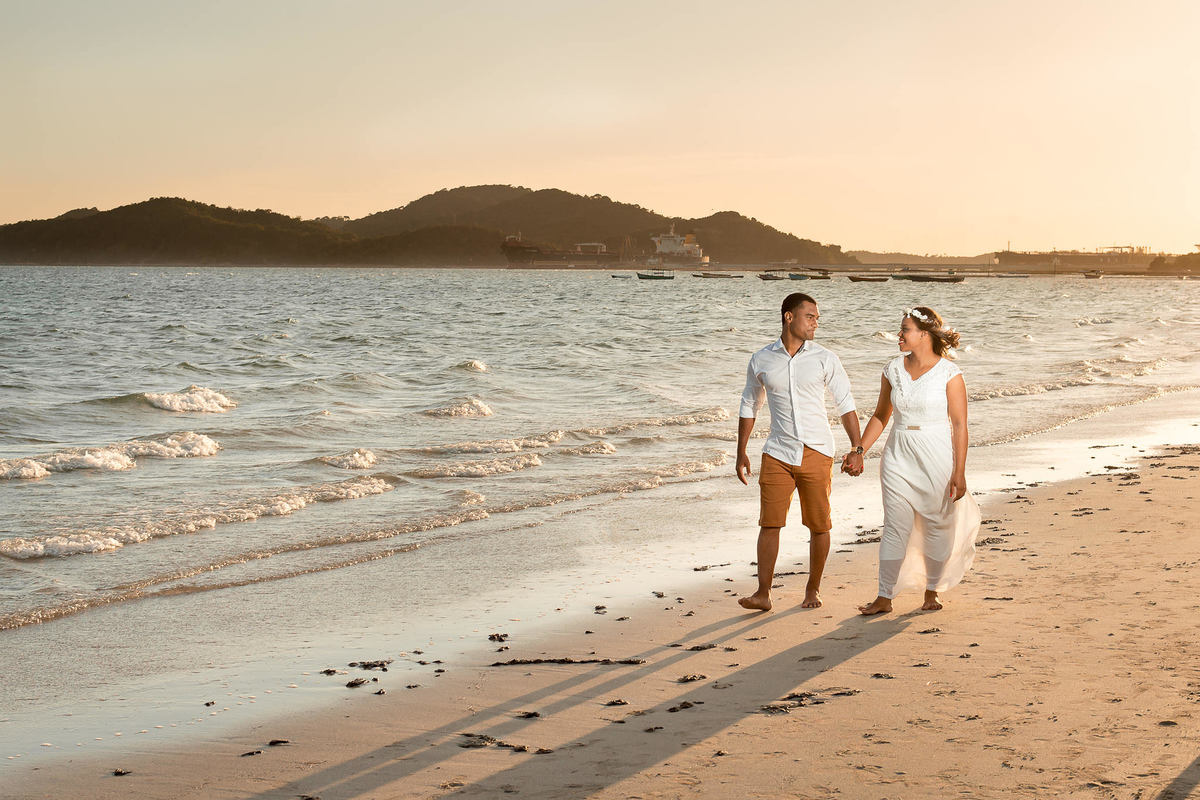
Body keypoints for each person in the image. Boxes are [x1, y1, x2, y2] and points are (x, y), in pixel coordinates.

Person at [736, 293, 863, 611]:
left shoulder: (825, 358)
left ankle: (813, 589)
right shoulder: (761, 359)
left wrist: (857, 448)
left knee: (820, 525)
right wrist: (741, 452)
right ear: (789, 317)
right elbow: (750, 404)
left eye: (818, 318)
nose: (816, 323)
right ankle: (763, 593)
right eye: (810, 316)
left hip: (817, 451)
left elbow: (845, 404)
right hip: (777, 452)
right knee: (769, 523)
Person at [852, 306, 981, 615]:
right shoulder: (891, 370)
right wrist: (859, 451)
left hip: (936, 453)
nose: (899, 335)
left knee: (938, 524)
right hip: (898, 453)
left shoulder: (950, 374)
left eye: (905, 329)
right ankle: (884, 596)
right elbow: (881, 415)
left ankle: (932, 591)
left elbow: (960, 425)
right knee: (895, 526)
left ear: (924, 334)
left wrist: (959, 472)